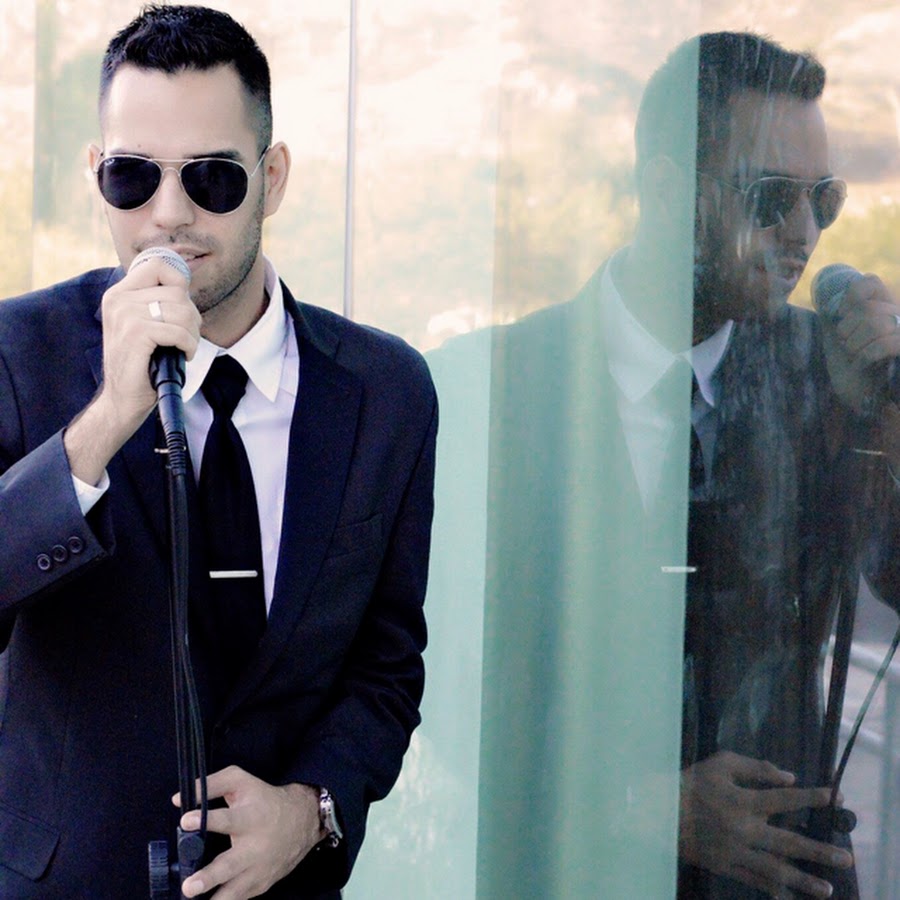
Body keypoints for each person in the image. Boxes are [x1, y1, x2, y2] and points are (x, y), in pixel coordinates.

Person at [0, 5, 436, 899]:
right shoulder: (18, 353)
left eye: (211, 178)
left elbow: (386, 664)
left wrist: (312, 807)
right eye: (133, 177)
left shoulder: (387, 390)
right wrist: (108, 417)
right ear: (97, 174)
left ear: (271, 179)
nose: (169, 214)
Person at [458, 31, 900, 899]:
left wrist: (889, 412)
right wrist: (637, 804)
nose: (804, 232)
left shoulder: (827, 377)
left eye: (825, 199)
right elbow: (444, 685)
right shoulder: (502, 388)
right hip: (574, 875)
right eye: (771, 198)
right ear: (667, 189)